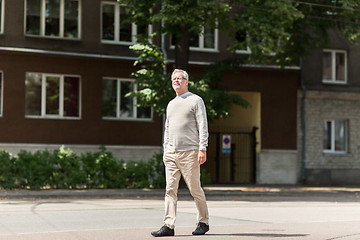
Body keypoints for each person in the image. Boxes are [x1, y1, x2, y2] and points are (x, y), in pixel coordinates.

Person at [151, 69, 210, 237]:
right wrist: (166, 149)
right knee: (170, 189)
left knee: (195, 189)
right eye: (173, 79)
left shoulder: (195, 100)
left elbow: (203, 126)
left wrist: (202, 148)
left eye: (179, 78)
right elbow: (167, 128)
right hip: (171, 153)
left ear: (186, 82)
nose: (176, 81)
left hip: (189, 152)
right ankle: (168, 225)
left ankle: (203, 222)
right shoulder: (171, 103)